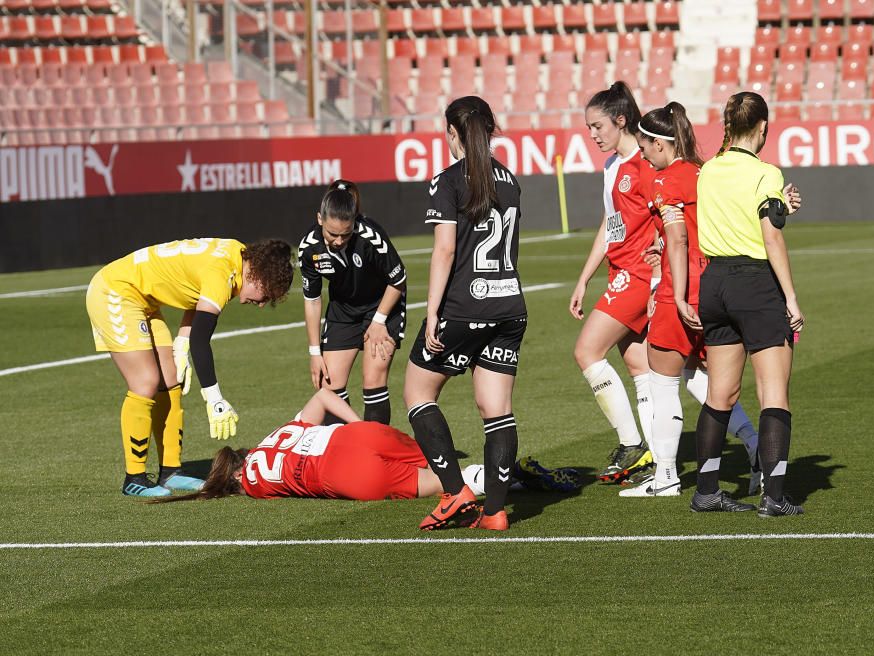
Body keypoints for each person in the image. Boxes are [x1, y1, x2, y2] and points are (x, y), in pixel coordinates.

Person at [620, 101, 762, 499]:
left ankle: (665, 475)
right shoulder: (703, 173)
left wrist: (673, 292)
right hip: (717, 285)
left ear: (660, 144)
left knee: (663, 383)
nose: (643, 152)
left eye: (645, 144)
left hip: (681, 290)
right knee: (704, 379)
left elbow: (679, 237)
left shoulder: (665, 180)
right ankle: (754, 447)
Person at [403, 96, 527, 532]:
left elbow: (445, 249)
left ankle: (455, 490)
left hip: (463, 306)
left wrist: (432, 311)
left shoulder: (448, 181)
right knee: (497, 409)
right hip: (510, 305)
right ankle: (495, 512)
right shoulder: (509, 179)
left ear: (453, 134)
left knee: (418, 393)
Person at [86, 238, 294, 497]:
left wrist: (181, 344)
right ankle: (134, 478)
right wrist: (214, 398)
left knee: (171, 379)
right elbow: (201, 339)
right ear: (260, 277)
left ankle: (170, 472)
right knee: (145, 382)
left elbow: (196, 296)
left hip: (143, 300)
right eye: (267, 295)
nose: (262, 303)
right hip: (115, 291)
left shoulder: (236, 257)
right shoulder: (223, 274)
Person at [688, 91, 804, 516]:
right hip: (754, 283)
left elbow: (741, 215)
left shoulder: (709, 171)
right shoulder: (766, 172)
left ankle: (706, 490)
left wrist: (780, 207)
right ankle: (774, 497)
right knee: (774, 393)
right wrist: (791, 297)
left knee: (720, 393)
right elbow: (769, 234)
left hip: (714, 282)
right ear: (764, 127)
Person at [152, 389, 579, 503]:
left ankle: (510, 478)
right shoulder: (274, 436)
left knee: (450, 484)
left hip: (345, 475)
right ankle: (511, 472)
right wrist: (361, 428)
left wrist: (200, 486)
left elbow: (232, 485)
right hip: (355, 435)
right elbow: (321, 396)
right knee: (442, 465)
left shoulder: (255, 484)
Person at [569, 81, 658, 484]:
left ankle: (631, 443)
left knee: (587, 351)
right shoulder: (611, 167)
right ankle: (657, 453)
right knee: (639, 364)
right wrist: (584, 278)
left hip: (639, 274)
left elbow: (666, 215)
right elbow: (611, 225)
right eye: (588, 128)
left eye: (597, 126)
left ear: (621, 121)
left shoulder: (646, 160)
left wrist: (659, 271)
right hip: (620, 272)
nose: (592, 135)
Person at [298, 179, 407, 425]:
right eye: (332, 234)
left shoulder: (370, 236)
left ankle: (376, 453)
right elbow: (313, 301)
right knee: (329, 387)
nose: (338, 241)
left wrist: (378, 321)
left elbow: (398, 279)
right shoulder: (309, 248)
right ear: (319, 219)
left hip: (382, 305)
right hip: (343, 309)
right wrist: (314, 352)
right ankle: (350, 447)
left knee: (373, 380)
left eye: (345, 235)